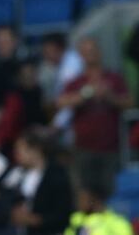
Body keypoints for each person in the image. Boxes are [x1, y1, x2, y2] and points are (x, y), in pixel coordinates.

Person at [57, 37, 131, 192]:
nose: (90, 55)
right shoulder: (76, 82)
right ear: (81, 55)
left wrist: (110, 96)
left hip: (110, 148)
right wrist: (86, 94)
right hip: (83, 148)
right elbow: (61, 103)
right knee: (84, 193)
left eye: (93, 50)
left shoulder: (113, 78)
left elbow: (129, 103)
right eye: (86, 52)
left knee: (110, 194)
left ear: (99, 52)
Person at [9, 130, 74, 235]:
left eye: (21, 149)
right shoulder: (16, 173)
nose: (17, 154)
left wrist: (36, 220)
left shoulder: (56, 176)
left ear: (36, 149)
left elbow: (63, 214)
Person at [63, 182, 132, 235]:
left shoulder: (117, 223)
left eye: (83, 199)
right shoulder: (76, 220)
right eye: (79, 199)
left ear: (95, 199)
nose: (79, 202)